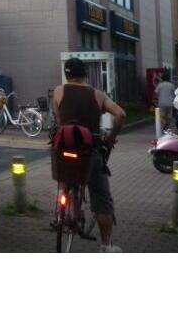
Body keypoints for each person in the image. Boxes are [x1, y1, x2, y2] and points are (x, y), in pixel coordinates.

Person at [52, 57, 126, 253]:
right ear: (85, 74)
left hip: (64, 151)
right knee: (102, 198)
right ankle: (106, 245)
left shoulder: (58, 91)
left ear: (67, 75)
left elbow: (59, 122)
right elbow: (121, 114)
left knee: (64, 177)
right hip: (89, 153)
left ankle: (61, 203)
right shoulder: (98, 95)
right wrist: (111, 138)